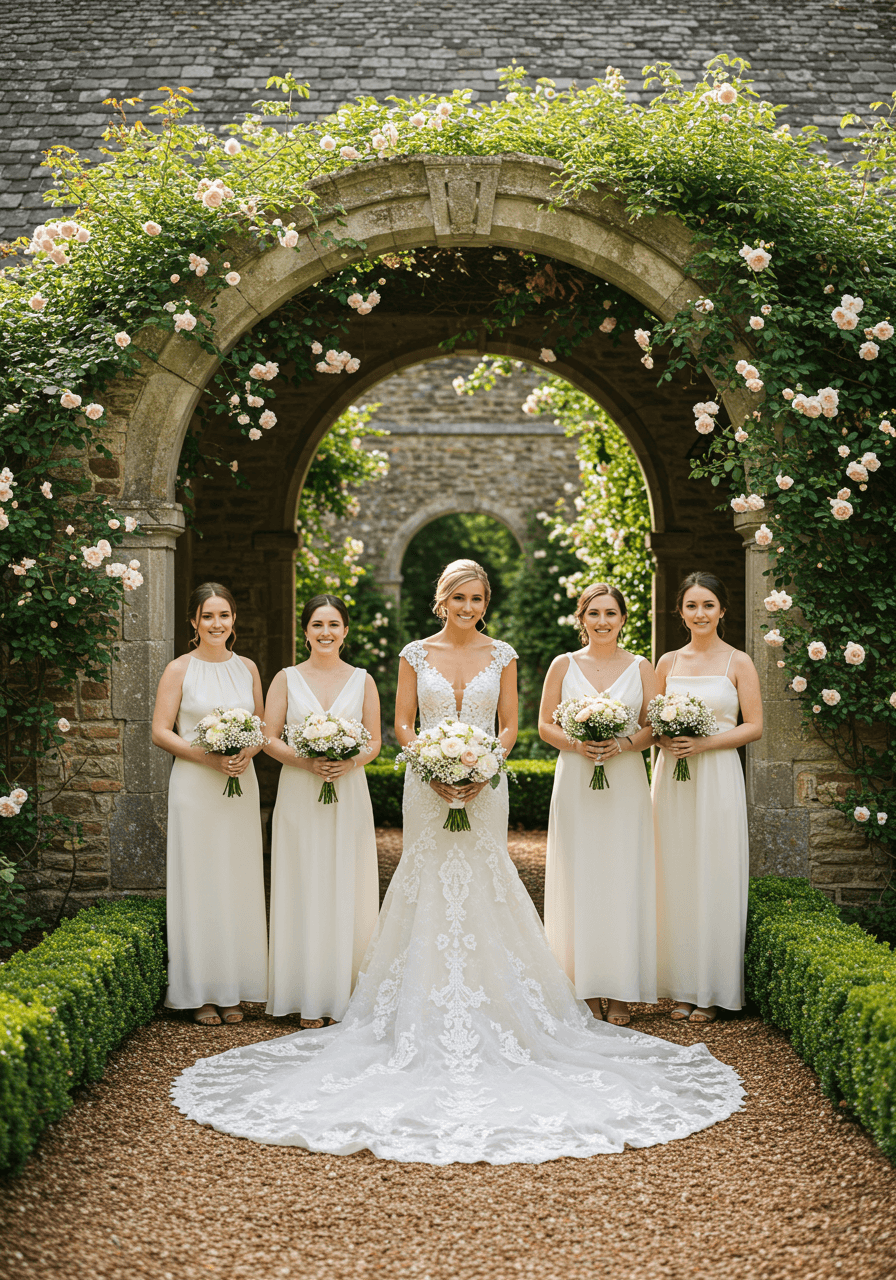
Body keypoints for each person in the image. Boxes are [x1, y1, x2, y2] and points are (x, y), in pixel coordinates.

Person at [171, 560, 744, 1163]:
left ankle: (501, 1003)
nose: (467, 606)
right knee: (428, 887)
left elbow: (511, 726)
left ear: (484, 602)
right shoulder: (414, 653)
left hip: (485, 785)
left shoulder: (505, 655)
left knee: (484, 883)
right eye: (457, 598)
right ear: (441, 600)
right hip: (428, 785)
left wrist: (481, 767)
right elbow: (400, 725)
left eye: (476, 598)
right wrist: (436, 766)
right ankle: (414, 1005)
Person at [539, 582, 658, 1026]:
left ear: (623, 619)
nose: (602, 622)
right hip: (575, 779)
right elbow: (543, 725)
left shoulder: (641, 667)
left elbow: (652, 727)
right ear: (581, 619)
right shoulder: (562, 666)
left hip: (625, 781)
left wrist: (624, 744)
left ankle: (622, 990)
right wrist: (576, 743)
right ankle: (584, 988)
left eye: (611, 613)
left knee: (622, 875)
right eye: (594, 614)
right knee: (580, 875)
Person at [152, 582, 268, 1025]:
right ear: (194, 622)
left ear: (233, 620)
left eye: (223, 615)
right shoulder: (179, 669)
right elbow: (161, 730)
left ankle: (233, 989)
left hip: (239, 785)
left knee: (236, 879)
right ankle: (199, 993)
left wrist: (244, 753)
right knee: (199, 882)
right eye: (207, 617)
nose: (216, 624)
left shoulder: (249, 669)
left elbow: (259, 727)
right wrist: (207, 755)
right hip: (195, 787)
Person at [262, 594, 381, 1025]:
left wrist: (349, 761)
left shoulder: (363, 680)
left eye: (333, 625)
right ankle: (305, 993)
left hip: (348, 791)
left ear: (345, 631)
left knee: (345, 881)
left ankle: (345, 992)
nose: (326, 633)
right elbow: (269, 736)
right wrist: (306, 760)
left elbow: (374, 742)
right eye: (317, 625)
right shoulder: (286, 679)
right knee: (304, 881)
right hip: (299, 791)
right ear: (305, 631)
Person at [653, 571, 763, 1023]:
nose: (700, 614)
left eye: (708, 606)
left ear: (722, 610)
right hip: (673, 778)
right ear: (680, 611)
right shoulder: (666, 663)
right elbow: (652, 724)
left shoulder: (739, 662)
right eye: (692, 606)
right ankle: (681, 987)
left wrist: (704, 743)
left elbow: (753, 726)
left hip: (716, 773)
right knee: (674, 873)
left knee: (713, 872)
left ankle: (712, 989)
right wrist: (666, 740)